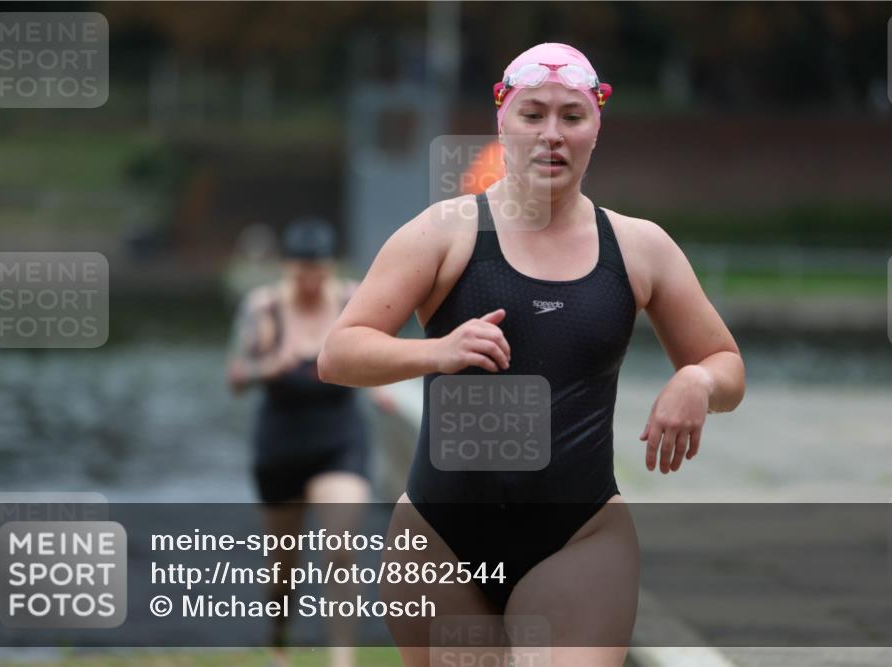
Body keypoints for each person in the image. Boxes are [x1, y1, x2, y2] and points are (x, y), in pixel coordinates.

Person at [319, 42, 745, 667]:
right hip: (439, 541)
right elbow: (338, 353)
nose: (552, 134)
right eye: (533, 114)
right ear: (503, 120)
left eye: (572, 117)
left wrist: (699, 382)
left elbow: (725, 363)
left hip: (579, 538)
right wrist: (436, 352)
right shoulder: (445, 232)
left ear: (597, 125)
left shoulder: (639, 247)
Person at [227, 218, 395, 667]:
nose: (310, 281)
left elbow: (378, 352)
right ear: (287, 268)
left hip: (340, 440)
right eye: (301, 272)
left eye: (318, 271)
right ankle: (278, 639)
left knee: (340, 546)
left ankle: (342, 660)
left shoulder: (350, 299)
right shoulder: (263, 308)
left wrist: (381, 389)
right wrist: (270, 366)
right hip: (280, 445)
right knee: (283, 567)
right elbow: (236, 376)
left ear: (330, 267)